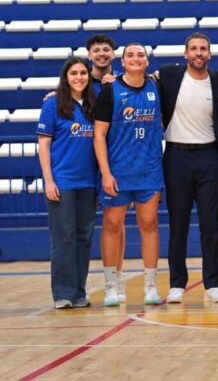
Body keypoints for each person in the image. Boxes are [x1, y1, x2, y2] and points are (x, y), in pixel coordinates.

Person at [156, 33, 218, 304]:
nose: (198, 53)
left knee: (210, 224)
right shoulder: (167, 76)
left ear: (210, 54)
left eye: (203, 49)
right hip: (176, 155)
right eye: (194, 49)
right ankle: (177, 283)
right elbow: (135, 82)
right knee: (178, 223)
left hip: (209, 156)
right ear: (185, 54)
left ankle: (212, 283)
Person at [93, 43, 163, 306]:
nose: (136, 59)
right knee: (112, 225)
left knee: (149, 224)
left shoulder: (157, 87)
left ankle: (150, 285)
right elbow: (99, 135)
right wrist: (106, 172)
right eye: (130, 55)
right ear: (122, 62)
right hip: (118, 171)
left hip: (149, 170)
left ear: (147, 61)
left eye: (140, 55)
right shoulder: (111, 90)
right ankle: (113, 284)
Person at [37, 57, 98, 309]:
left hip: (88, 183)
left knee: (84, 238)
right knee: (64, 238)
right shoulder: (53, 104)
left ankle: (79, 292)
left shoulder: (94, 104)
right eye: (74, 73)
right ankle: (63, 293)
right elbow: (43, 144)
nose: (79, 77)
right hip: (62, 182)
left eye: (83, 73)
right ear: (66, 76)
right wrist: (48, 181)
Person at [85, 35, 129, 303]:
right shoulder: (80, 80)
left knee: (116, 220)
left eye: (106, 50)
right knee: (87, 222)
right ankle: (84, 280)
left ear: (113, 54)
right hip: (85, 157)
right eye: (96, 50)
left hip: (115, 157)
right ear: (89, 55)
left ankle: (116, 277)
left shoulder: (122, 82)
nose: (101, 54)